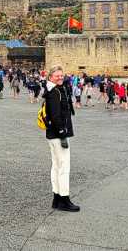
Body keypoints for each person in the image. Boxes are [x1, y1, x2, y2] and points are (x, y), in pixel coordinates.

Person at [42, 65, 79, 212]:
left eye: (61, 76)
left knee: (56, 165)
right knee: (64, 167)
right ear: (50, 76)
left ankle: (56, 198)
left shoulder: (54, 89)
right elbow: (56, 116)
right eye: (57, 76)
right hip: (58, 135)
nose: (60, 78)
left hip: (53, 134)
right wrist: (63, 133)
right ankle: (64, 199)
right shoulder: (54, 92)